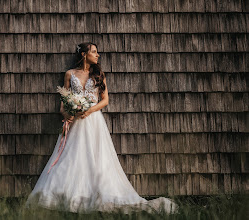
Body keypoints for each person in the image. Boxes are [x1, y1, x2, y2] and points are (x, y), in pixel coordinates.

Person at [25, 42, 179, 214]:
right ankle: (70, 196)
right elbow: (63, 103)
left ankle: (96, 194)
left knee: (96, 157)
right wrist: (66, 113)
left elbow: (105, 100)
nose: (97, 55)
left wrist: (89, 109)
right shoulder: (70, 74)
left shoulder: (98, 74)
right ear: (84, 54)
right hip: (75, 123)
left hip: (93, 121)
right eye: (94, 52)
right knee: (71, 158)